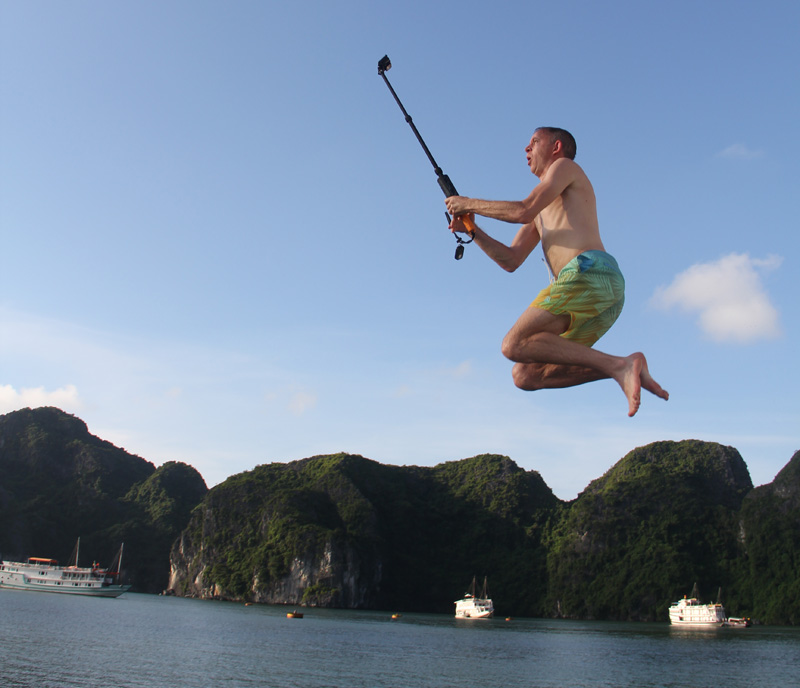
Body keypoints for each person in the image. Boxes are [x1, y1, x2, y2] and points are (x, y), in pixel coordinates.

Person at [445, 127, 668, 416]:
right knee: (526, 375)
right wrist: (472, 230)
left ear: (556, 147)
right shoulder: (541, 212)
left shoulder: (565, 167)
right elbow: (510, 260)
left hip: (589, 272)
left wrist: (467, 203)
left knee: (513, 344)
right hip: (603, 294)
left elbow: (522, 209)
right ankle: (624, 367)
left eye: (534, 142)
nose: (526, 149)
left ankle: (619, 366)